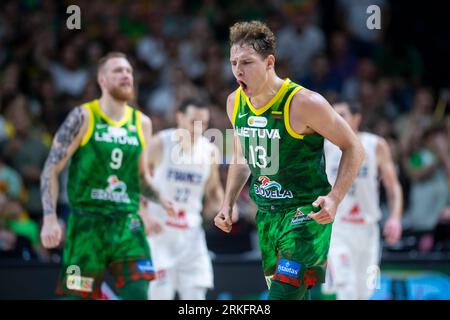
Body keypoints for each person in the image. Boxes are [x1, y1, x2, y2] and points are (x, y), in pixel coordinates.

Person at [214, 21, 365, 300]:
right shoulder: (234, 102)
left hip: (306, 214)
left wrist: (334, 198)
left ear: (269, 62)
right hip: (268, 216)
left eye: (247, 62)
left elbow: (354, 147)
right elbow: (242, 156)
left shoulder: (305, 102)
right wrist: (228, 202)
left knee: (282, 297)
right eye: (233, 62)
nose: (238, 69)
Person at [40, 52, 175, 300]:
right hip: (87, 223)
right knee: (76, 296)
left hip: (127, 223)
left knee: (138, 291)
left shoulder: (141, 123)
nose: (126, 75)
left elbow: (141, 177)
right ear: (102, 80)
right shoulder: (84, 116)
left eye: (129, 71)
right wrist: (50, 217)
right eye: (118, 71)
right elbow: (51, 167)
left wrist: (159, 197)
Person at [143, 98, 224, 300]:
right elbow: (135, 181)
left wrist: (224, 208)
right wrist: (144, 215)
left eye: (204, 124)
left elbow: (213, 191)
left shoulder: (210, 151)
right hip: (159, 231)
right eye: (193, 122)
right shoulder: (160, 143)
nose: (198, 128)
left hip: (191, 234)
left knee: (196, 298)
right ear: (179, 118)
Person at [322, 101, 403, 300]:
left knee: (365, 292)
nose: (336, 119)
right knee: (346, 286)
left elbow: (394, 187)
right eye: (333, 115)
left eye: (341, 114)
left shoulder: (375, 145)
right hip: (338, 228)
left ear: (356, 118)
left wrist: (395, 217)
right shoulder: (324, 146)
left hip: (368, 230)